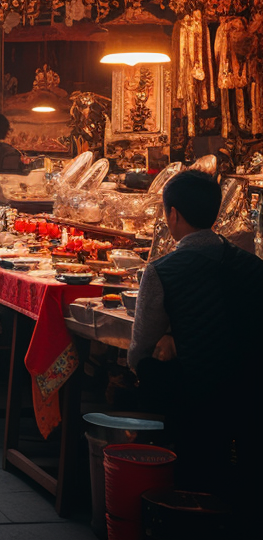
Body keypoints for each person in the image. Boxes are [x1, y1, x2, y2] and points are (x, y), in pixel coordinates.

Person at [129, 170, 263, 503]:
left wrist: (170, 340)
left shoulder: (161, 270)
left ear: (172, 214)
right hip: (252, 392)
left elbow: (140, 351)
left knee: (146, 371)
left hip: (195, 398)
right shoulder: (253, 265)